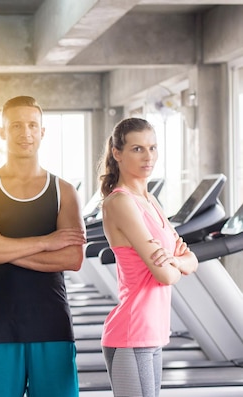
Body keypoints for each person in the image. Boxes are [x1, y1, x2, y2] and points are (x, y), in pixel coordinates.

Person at [0, 95, 86, 397]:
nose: (25, 133)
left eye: (32, 125)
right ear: (2, 132)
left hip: (52, 323)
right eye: (16, 125)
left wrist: (2, 245)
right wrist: (45, 242)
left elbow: (72, 257)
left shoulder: (64, 191)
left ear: (43, 132)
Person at [98, 117, 198, 397]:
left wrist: (176, 261)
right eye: (137, 149)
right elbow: (164, 275)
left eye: (153, 148)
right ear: (117, 153)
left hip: (152, 332)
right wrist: (177, 263)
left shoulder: (150, 200)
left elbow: (190, 258)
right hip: (132, 332)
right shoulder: (120, 202)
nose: (148, 156)